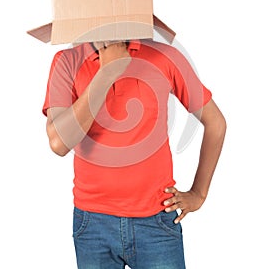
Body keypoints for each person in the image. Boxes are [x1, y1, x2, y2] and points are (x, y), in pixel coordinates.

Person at [43, 37, 226, 269]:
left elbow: (215, 122)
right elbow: (59, 144)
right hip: (92, 224)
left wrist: (198, 193)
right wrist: (107, 72)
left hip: (156, 222)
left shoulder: (164, 56)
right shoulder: (67, 62)